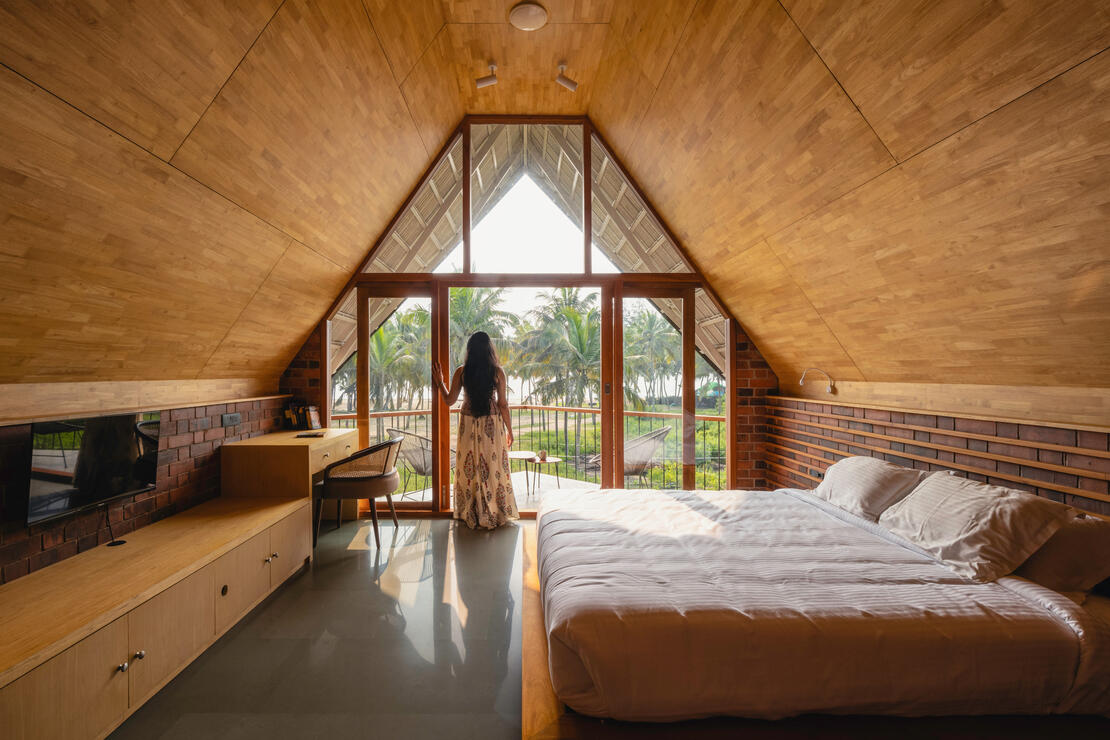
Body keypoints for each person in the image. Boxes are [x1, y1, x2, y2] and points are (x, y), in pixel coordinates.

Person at [432, 332, 519, 529]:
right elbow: (503, 404)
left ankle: (470, 509)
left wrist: (440, 382)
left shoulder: (462, 372)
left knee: (469, 467)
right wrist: (510, 430)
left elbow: (449, 400)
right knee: (492, 466)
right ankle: (494, 509)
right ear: (490, 350)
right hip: (492, 424)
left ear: (470, 350)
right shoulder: (497, 372)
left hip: (469, 423)